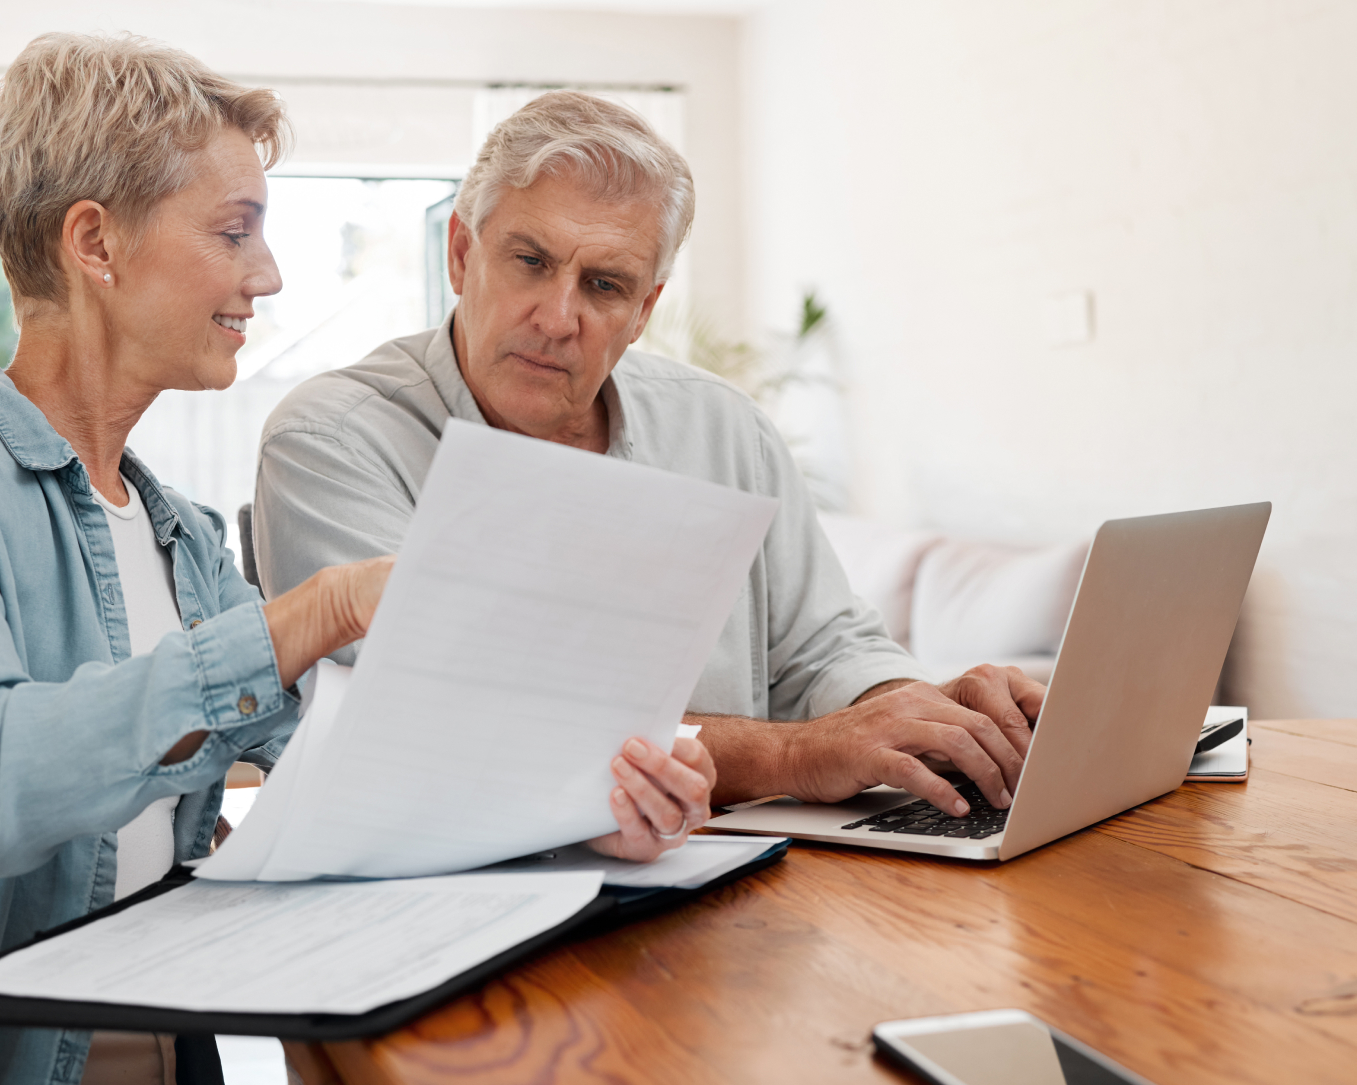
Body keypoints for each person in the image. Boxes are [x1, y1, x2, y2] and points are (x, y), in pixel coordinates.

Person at [0, 40, 711, 1085]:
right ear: (95, 243)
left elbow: (363, 777)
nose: (267, 275)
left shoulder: (181, 536)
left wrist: (597, 807)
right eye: (235, 232)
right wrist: (315, 611)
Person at [254, 91, 1047, 824]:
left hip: (741, 882)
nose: (559, 317)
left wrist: (922, 717)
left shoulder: (723, 425)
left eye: (603, 284)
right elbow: (465, 731)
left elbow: (826, 648)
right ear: (461, 254)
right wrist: (795, 754)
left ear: (644, 311)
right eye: (530, 261)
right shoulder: (332, 440)